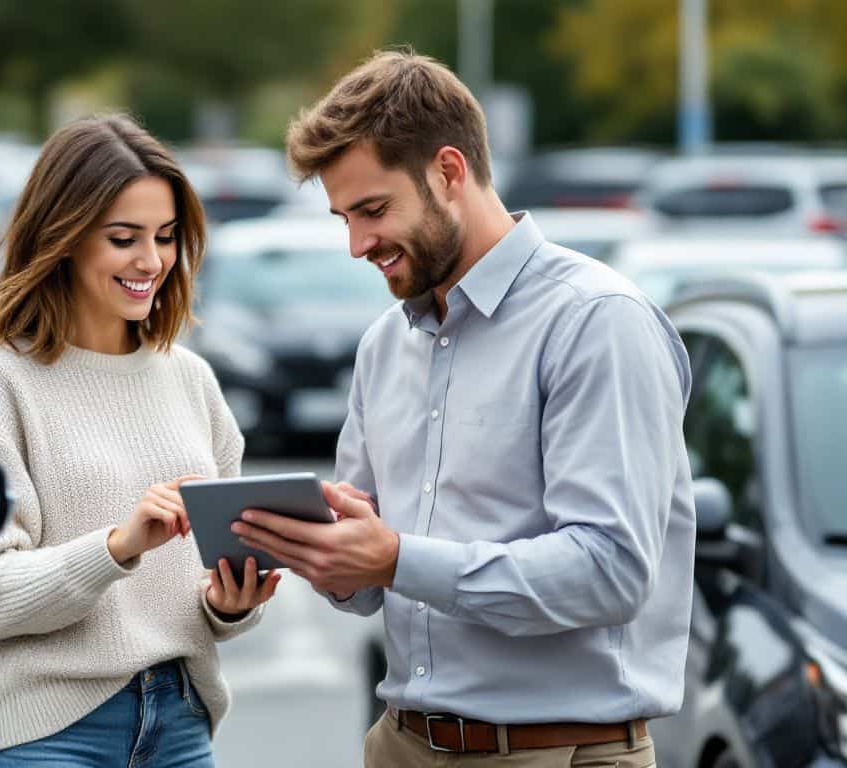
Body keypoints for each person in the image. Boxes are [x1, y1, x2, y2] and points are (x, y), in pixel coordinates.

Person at [233, 49, 696, 767]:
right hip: (400, 743)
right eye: (343, 217)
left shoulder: (596, 322)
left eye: (373, 210)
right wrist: (323, 556)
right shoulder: (386, 345)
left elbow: (610, 570)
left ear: (449, 172)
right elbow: (369, 581)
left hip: (558, 750)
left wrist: (395, 559)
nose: (356, 244)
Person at [0, 113, 280, 768]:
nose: (151, 262)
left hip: (180, 724)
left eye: (167, 237)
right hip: (46, 737)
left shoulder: (191, 379)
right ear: (63, 237)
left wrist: (229, 604)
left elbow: (214, 588)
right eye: (124, 238)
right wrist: (118, 547)